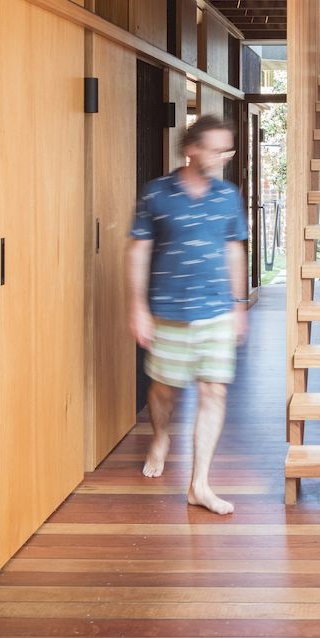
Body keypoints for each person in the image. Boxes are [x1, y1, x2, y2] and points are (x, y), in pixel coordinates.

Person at [126, 114, 250, 515]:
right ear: (191, 148)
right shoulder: (156, 194)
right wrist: (138, 307)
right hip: (169, 311)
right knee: (164, 389)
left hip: (216, 309)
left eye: (225, 150)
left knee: (214, 391)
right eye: (215, 149)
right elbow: (138, 250)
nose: (221, 157)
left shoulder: (228, 195)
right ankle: (160, 437)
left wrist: (239, 304)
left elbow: (234, 248)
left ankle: (199, 485)